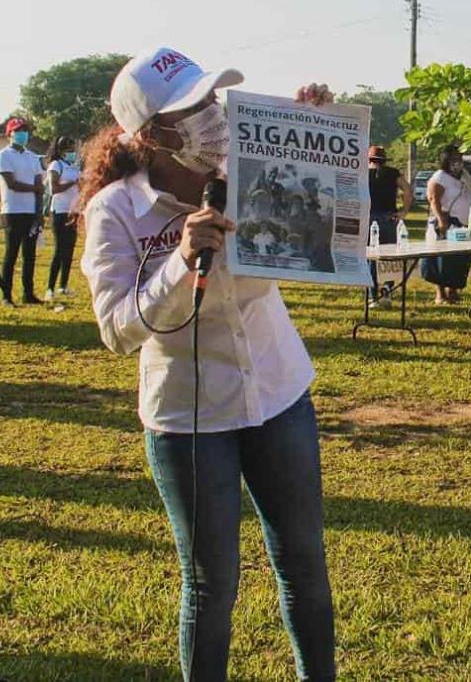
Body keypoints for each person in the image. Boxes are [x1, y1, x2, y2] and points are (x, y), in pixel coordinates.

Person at [79, 48, 336, 681]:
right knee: (211, 584)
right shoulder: (115, 210)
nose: (210, 117)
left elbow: (325, 224)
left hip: (277, 393)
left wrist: (315, 134)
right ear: (150, 134)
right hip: (189, 418)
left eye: (209, 101)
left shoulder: (250, 169)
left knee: (303, 560)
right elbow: (117, 330)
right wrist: (178, 261)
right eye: (187, 110)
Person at [0, 115, 45, 306]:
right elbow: (12, 184)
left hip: (30, 211)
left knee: (29, 255)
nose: (22, 134)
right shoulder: (4, 155)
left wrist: (39, 212)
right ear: (10, 134)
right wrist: (35, 189)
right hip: (12, 211)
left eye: (24, 131)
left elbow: (39, 186)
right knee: (11, 254)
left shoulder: (32, 157)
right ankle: (7, 296)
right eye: (18, 131)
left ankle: (28, 293)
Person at [426, 144, 471, 304]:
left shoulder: (463, 176)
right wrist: (442, 220)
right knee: (442, 259)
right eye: (454, 159)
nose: (458, 162)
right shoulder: (440, 177)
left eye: (459, 159)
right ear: (446, 161)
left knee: (458, 259)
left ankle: (453, 291)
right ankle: (440, 295)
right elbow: (434, 199)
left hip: (462, 225)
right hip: (446, 222)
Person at [366, 144, 412, 305]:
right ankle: (387, 289)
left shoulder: (362, 173)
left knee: (371, 258)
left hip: (368, 218)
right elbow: (407, 190)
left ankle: (372, 295)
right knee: (390, 256)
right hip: (389, 217)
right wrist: (403, 211)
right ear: (384, 160)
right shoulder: (393, 173)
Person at [44, 135, 81, 300]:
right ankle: (50, 288)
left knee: (69, 250)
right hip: (59, 211)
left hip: (73, 212)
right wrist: (73, 183)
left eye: (73, 149)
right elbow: (54, 188)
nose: (72, 152)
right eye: (69, 149)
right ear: (60, 150)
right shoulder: (56, 165)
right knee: (59, 250)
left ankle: (63, 286)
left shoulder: (73, 167)